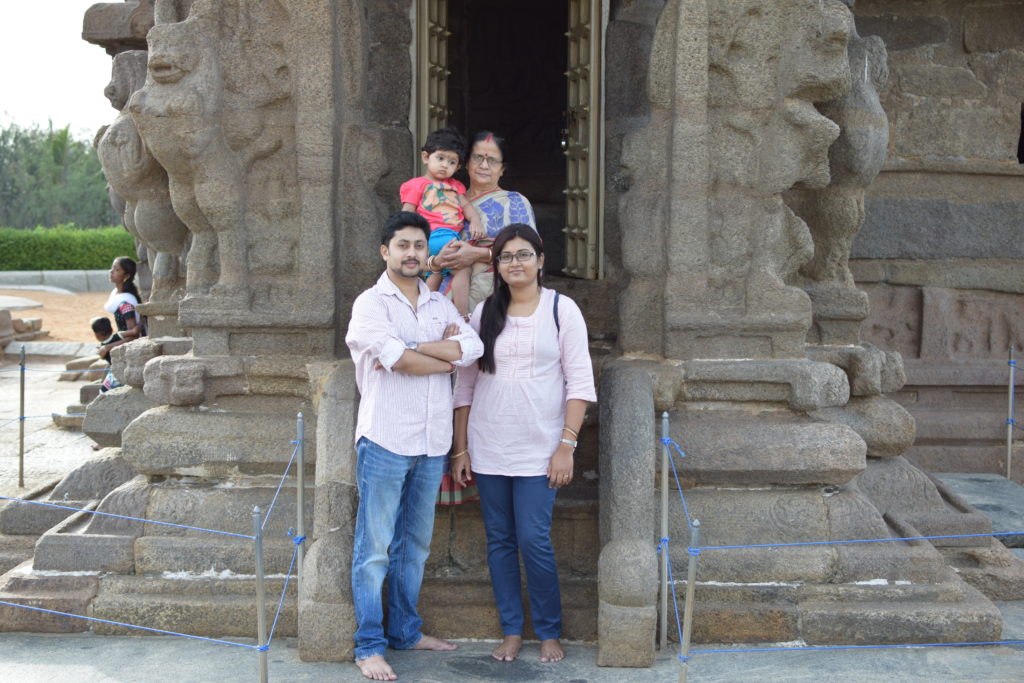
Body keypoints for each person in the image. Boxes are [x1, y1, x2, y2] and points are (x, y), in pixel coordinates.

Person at [345, 211, 484, 681]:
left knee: (415, 546)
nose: (411, 254)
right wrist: (438, 356)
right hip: (385, 439)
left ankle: (405, 631)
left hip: (431, 443)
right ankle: (369, 645)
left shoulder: (440, 305)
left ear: (428, 253)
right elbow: (399, 362)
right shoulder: (370, 305)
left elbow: (472, 349)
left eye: (418, 246)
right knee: (375, 548)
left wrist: (417, 348)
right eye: (402, 246)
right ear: (386, 252)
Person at [452, 224, 596, 664]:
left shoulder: (561, 310)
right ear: (495, 265)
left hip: (541, 448)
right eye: (506, 256)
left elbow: (580, 382)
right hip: (490, 443)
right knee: (499, 539)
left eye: (523, 254)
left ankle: (549, 631)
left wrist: (566, 446)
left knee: (534, 538)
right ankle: (512, 630)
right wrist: (461, 448)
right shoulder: (485, 313)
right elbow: (465, 386)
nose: (515, 262)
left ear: (540, 260)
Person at [432, 131, 537, 314]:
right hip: (440, 299)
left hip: (494, 304)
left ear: (502, 169)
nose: (484, 165)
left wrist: (477, 254)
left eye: (493, 161)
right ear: (465, 163)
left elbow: (530, 254)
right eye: (477, 158)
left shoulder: (514, 202)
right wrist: (437, 261)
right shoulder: (444, 199)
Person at [400, 127, 485, 317]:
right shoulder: (417, 185)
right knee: (462, 268)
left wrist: (476, 221)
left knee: (436, 273)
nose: (445, 165)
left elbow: (467, 208)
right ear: (425, 157)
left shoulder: (456, 186)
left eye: (452, 162)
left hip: (447, 237)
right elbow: (407, 213)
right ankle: (463, 315)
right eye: (440, 158)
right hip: (434, 236)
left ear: (458, 167)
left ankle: (423, 314)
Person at [104, 256, 144, 342]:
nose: (111, 271)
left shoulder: (126, 302)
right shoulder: (115, 293)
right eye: (112, 268)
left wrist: (108, 347)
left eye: (117, 270)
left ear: (126, 276)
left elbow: (133, 336)